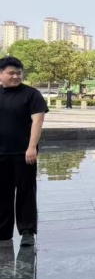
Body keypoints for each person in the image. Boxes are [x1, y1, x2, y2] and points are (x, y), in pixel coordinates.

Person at [0, 57, 48, 248]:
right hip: (1, 153)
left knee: (26, 191)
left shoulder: (31, 94)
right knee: (2, 193)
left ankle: (27, 231)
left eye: (19, 73)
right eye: (11, 73)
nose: (15, 76)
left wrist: (31, 147)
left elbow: (38, 121)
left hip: (24, 153)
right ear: (1, 73)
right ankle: (3, 231)